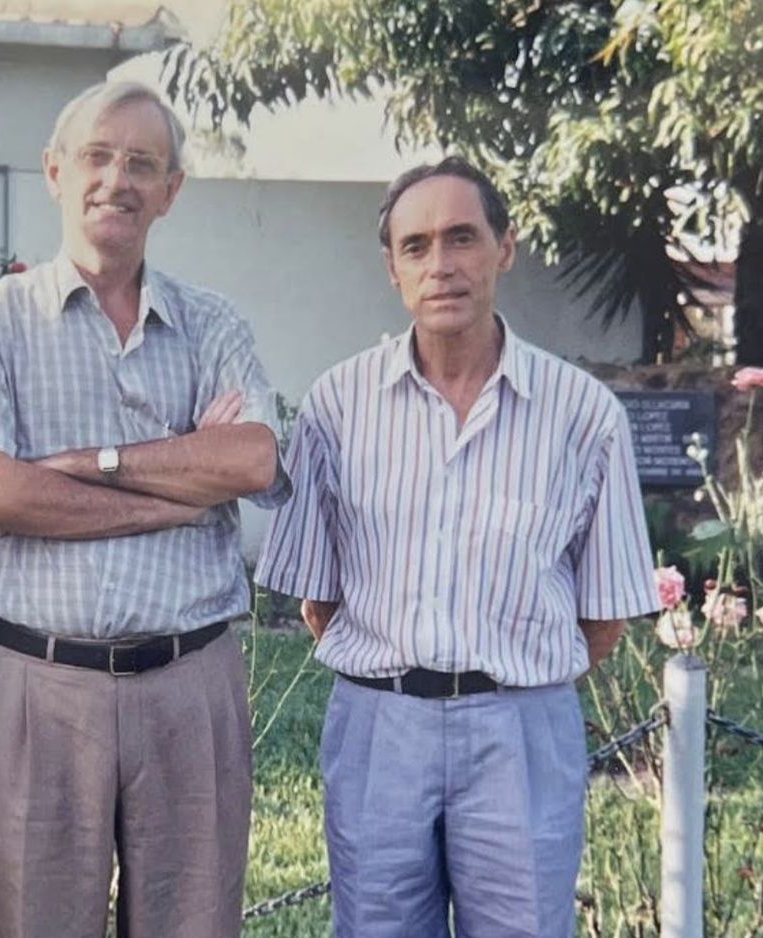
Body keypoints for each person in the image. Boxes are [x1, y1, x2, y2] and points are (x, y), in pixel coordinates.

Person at [0, 80, 290, 938]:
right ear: (55, 172)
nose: (116, 179)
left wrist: (89, 465)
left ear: (170, 190)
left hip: (190, 684)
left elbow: (250, 459)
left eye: (142, 164)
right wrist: (179, 489)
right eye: (97, 156)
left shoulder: (213, 323)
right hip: (35, 686)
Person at [255, 156, 656, 938]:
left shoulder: (583, 415)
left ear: (505, 247)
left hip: (521, 733)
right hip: (380, 728)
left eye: (462, 237)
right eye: (417, 245)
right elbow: (317, 601)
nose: (440, 264)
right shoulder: (338, 405)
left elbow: (602, 619)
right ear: (393, 268)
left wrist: (503, 681)